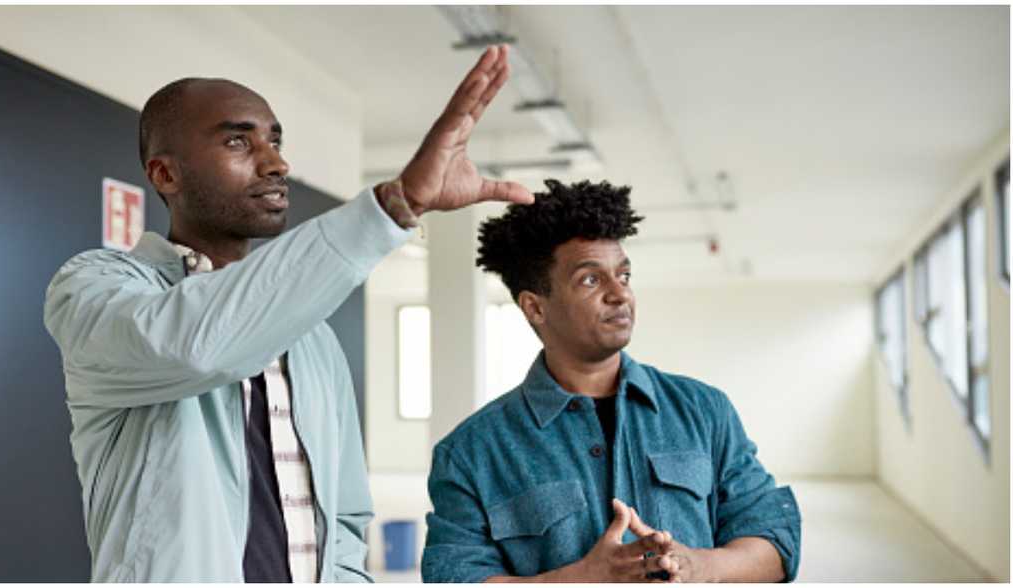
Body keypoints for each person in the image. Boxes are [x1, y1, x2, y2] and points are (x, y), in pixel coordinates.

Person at [44, 45, 532, 582]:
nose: (277, 163)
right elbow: (196, 344)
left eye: (274, 140)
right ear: (165, 174)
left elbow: (344, 515)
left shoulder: (312, 336)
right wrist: (395, 206)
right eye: (238, 141)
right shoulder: (95, 288)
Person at [421, 179, 801, 583]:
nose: (619, 294)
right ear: (535, 307)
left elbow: (775, 537)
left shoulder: (704, 411)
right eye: (591, 279)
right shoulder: (471, 451)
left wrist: (702, 566)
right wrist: (581, 579)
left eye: (624, 275)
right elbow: (453, 576)